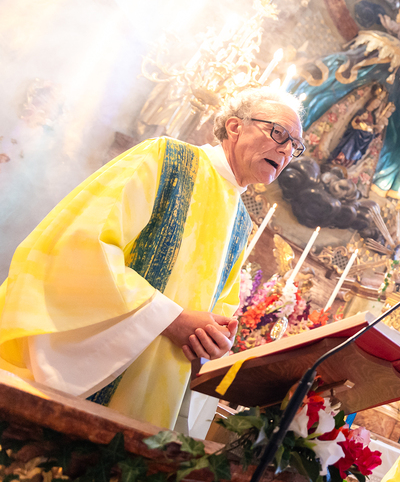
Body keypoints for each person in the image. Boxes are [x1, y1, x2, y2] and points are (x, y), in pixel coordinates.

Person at [0, 87, 304, 429]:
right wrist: (170, 319)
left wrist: (217, 341)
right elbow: (82, 245)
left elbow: (220, 310)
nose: (286, 150)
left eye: (295, 145)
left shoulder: (241, 222)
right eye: (278, 133)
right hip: (94, 373)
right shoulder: (168, 159)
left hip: (154, 394)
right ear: (235, 127)